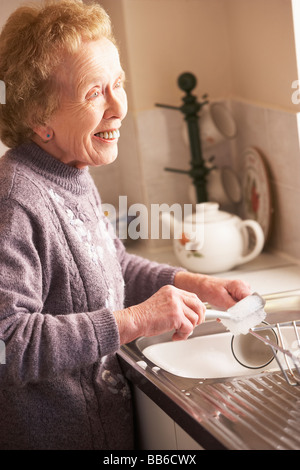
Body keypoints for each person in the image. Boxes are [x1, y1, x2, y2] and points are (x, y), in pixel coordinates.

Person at [0, 0, 251, 450]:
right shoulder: (16, 197)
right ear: (40, 118)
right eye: (94, 92)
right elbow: (8, 344)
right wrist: (135, 320)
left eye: (118, 84)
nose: (118, 107)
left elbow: (111, 266)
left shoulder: (70, 170)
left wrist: (193, 283)